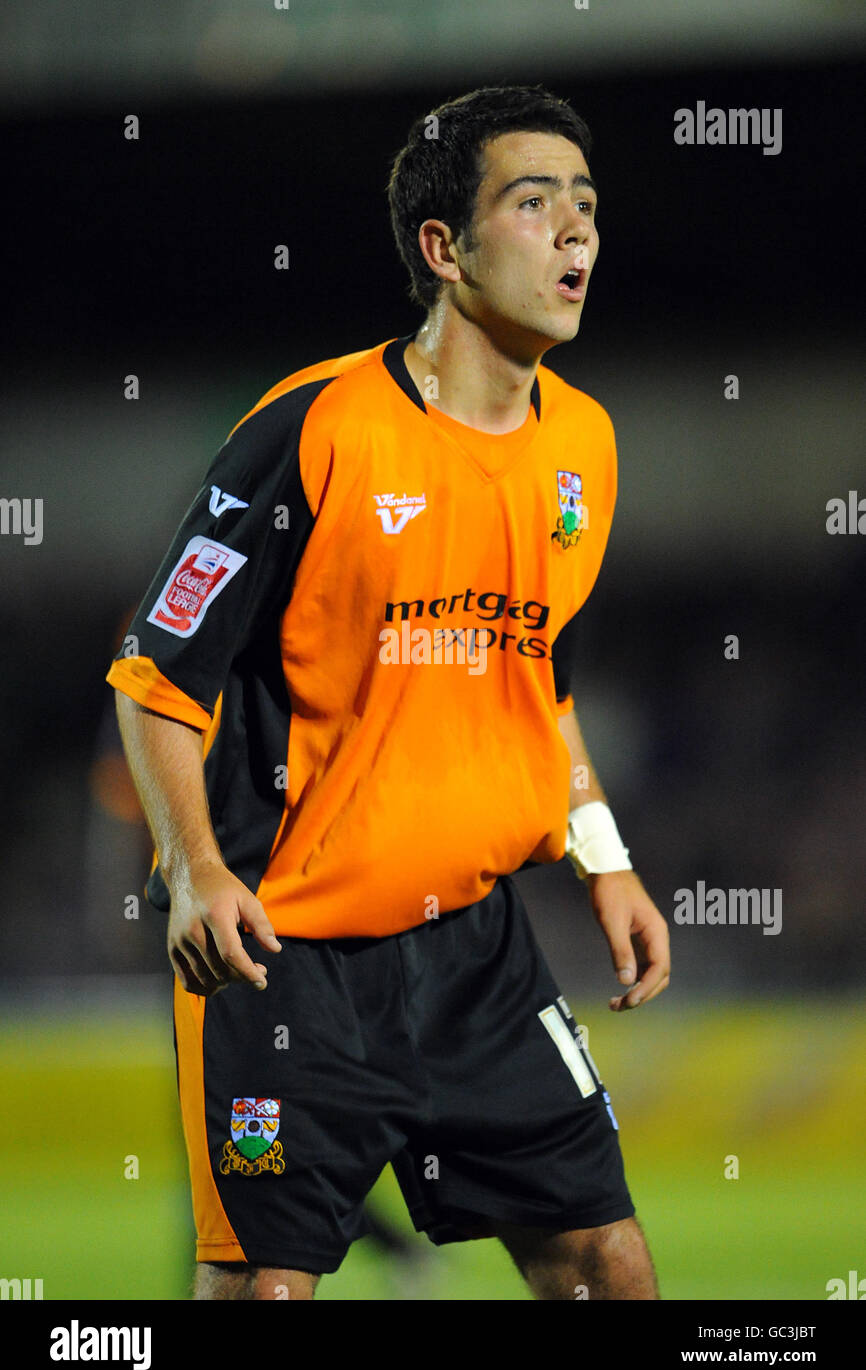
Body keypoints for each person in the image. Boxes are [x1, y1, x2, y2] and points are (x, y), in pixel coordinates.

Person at [107, 84, 670, 1301]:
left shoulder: (587, 447)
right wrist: (195, 868)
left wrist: (602, 856)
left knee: (604, 1263)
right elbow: (154, 676)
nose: (574, 232)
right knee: (264, 1288)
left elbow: (542, 686)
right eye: (532, 204)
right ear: (443, 249)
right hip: (283, 962)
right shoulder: (308, 432)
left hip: (477, 958)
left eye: (584, 203)